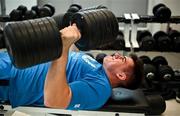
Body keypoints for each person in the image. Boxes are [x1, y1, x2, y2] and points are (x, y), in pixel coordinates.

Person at [0, 24, 144, 110]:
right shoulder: (96, 66)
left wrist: (64, 46)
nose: (118, 54)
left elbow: (54, 101)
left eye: (123, 59)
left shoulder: (100, 89)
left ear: (121, 75)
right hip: (14, 58)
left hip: (11, 78)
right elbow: (68, 62)